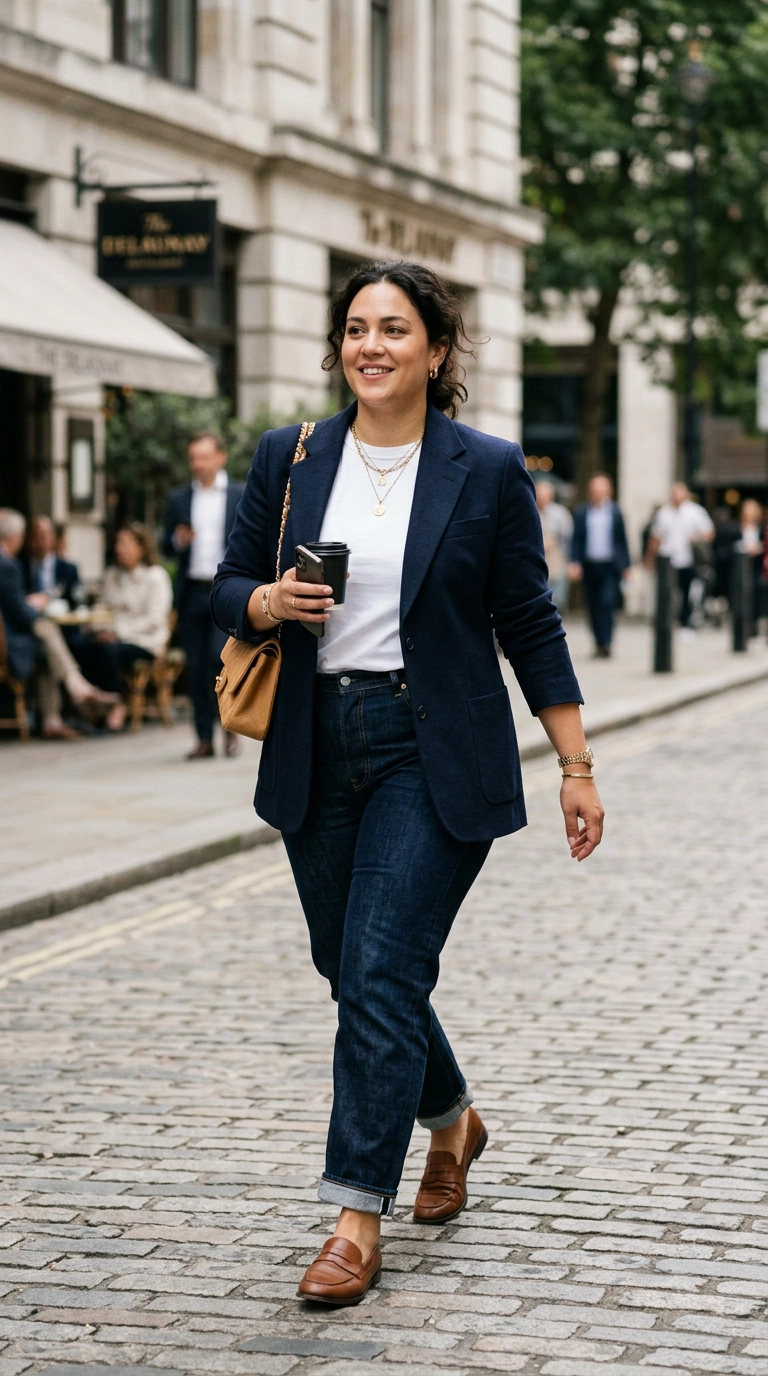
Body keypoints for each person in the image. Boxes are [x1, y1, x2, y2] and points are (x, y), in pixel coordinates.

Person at [212, 260, 604, 1305]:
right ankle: (455, 1119)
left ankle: (353, 1216)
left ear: (437, 350)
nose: (370, 345)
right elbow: (220, 583)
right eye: (354, 328)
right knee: (351, 967)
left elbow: (527, 619)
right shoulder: (290, 456)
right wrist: (264, 602)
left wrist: (575, 761)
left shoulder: (484, 467)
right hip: (315, 739)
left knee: (381, 969)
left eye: (393, 328)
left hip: (431, 751)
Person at [0, 508, 117, 739]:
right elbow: (21, 614)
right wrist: (34, 605)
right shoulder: (8, 564)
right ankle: (76, 686)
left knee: (47, 648)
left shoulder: (16, 564)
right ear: (16, 537)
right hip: (8, 643)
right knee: (45, 629)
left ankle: (52, 720)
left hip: (19, 636)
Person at [164, 432, 243, 758]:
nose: (198, 464)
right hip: (193, 591)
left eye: (204, 457)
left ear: (220, 457)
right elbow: (164, 546)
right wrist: (178, 541)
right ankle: (204, 738)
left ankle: (231, 726)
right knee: (195, 666)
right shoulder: (179, 499)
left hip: (226, 590)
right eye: (194, 457)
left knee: (219, 660)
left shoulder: (240, 494)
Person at [78, 523, 173, 732]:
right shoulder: (112, 575)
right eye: (118, 544)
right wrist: (100, 629)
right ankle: (91, 705)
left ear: (142, 547)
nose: (120, 548)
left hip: (144, 640)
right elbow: (102, 608)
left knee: (111, 651)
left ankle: (117, 703)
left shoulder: (155, 577)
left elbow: (154, 620)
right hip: (113, 635)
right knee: (84, 646)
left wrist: (118, 632)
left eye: (125, 543)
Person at [569, 473, 630, 657]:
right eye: (594, 489)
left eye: (601, 489)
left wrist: (627, 566)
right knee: (593, 606)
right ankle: (598, 642)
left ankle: (607, 642)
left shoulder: (615, 512)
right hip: (589, 565)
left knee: (607, 603)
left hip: (610, 566)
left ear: (608, 491)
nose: (597, 492)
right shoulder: (582, 512)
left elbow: (622, 541)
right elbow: (576, 540)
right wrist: (575, 563)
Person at [646, 482, 715, 632]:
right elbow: (655, 538)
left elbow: (709, 533)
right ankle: (666, 621)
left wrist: (696, 538)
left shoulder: (696, 512)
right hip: (668, 560)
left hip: (689, 561)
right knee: (667, 592)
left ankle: (685, 622)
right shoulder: (663, 513)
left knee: (687, 592)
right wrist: (650, 559)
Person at [21, 515, 82, 604]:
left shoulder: (68, 569)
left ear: (53, 538)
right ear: (28, 539)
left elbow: (76, 601)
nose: (39, 541)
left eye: (43, 536)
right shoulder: (19, 567)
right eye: (35, 536)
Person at [536, 479, 573, 613]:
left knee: (558, 600)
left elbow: (568, 540)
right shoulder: (530, 511)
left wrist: (570, 563)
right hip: (537, 565)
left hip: (557, 564)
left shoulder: (560, 514)